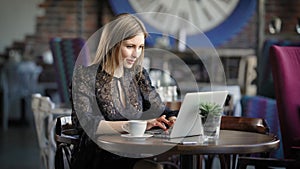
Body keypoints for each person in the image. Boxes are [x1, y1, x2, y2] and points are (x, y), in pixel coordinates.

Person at [70, 13, 178, 169]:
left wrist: (171, 118)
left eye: (140, 47)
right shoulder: (84, 76)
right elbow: (85, 123)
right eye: (130, 46)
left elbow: (161, 110)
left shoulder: (139, 76)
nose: (136, 54)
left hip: (134, 154)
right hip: (98, 157)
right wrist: (135, 125)